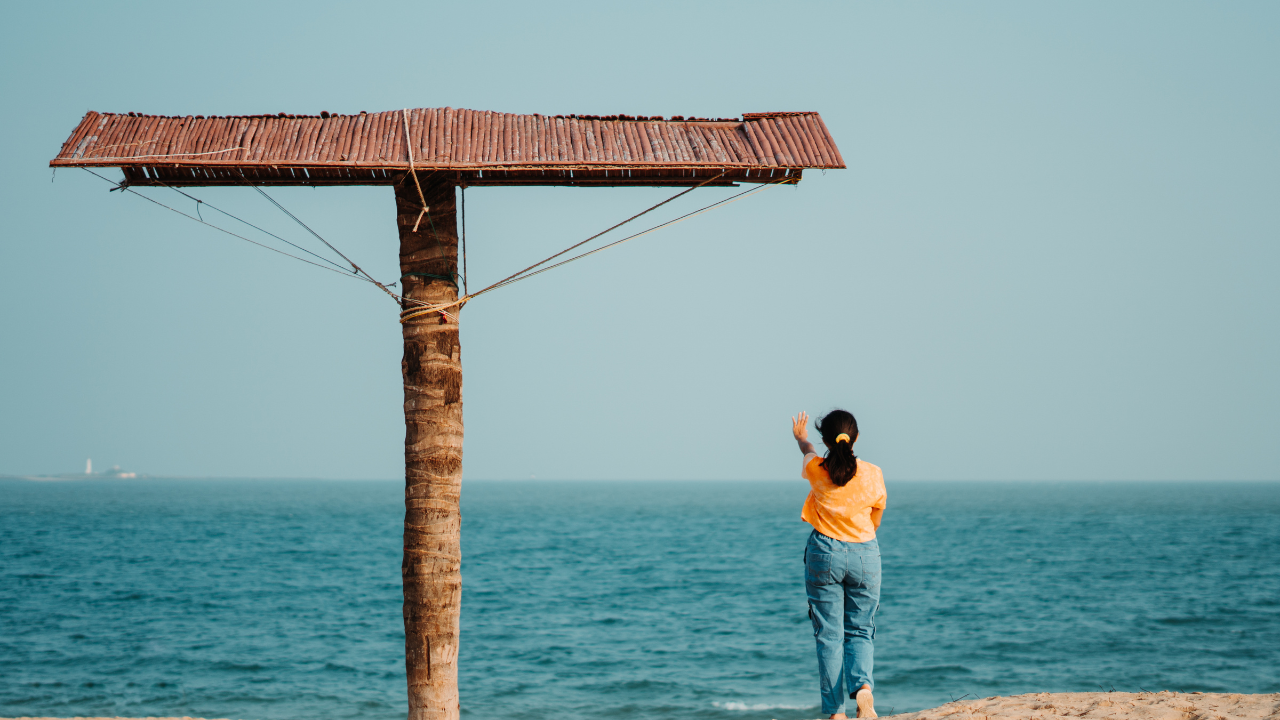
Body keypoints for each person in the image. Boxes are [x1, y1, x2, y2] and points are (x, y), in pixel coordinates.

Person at [791, 409, 886, 719]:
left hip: (824, 554)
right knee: (860, 630)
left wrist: (802, 439)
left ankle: (836, 713)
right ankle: (864, 692)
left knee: (829, 635)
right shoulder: (873, 473)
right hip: (865, 553)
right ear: (855, 437)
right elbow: (875, 520)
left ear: (825, 440)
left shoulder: (817, 468)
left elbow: (808, 452)